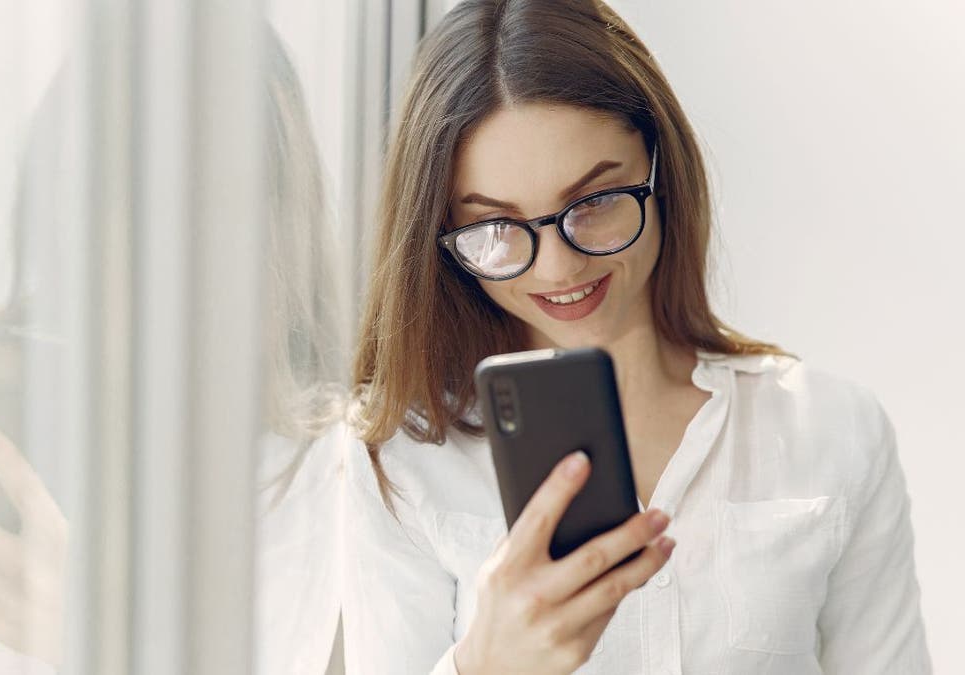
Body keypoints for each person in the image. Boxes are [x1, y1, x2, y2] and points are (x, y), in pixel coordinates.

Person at [339, 1, 931, 673]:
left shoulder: (831, 428)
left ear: (657, 169)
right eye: (497, 228)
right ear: (442, 237)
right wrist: (485, 663)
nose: (560, 268)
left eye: (592, 203)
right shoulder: (406, 461)